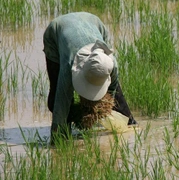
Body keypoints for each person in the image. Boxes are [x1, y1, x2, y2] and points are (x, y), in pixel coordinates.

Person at [43, 12, 136, 141]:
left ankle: (130, 124)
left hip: (94, 23)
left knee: (117, 94)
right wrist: (57, 140)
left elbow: (113, 91)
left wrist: (100, 110)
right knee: (57, 96)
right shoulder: (69, 66)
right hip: (56, 32)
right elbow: (61, 100)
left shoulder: (110, 63)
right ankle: (65, 133)